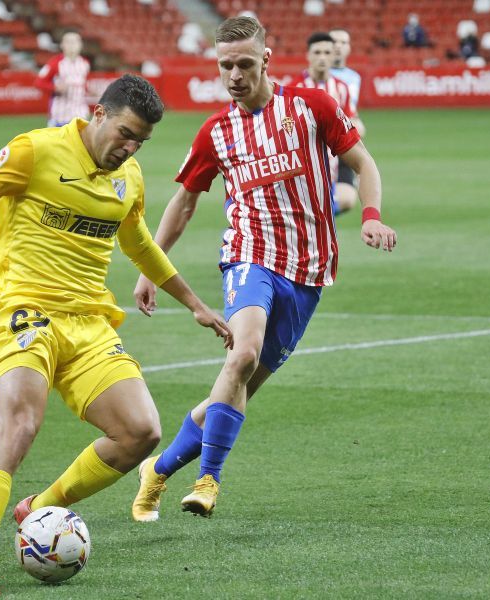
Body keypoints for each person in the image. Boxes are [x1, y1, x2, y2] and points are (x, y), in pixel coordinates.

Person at [0, 74, 233, 596]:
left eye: (140, 142)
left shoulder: (130, 178)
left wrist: (194, 303)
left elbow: (140, 242)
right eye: (125, 133)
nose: (129, 148)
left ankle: (40, 506)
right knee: (21, 425)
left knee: (141, 431)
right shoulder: (36, 150)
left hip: (89, 325)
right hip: (27, 312)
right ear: (97, 114)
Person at [130, 16, 397, 522]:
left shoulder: (310, 107)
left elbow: (363, 164)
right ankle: (209, 480)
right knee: (244, 352)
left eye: (244, 64)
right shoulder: (216, 132)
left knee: (234, 390)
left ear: (266, 60)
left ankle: (158, 470)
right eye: (225, 65)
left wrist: (370, 216)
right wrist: (151, 268)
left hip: (310, 270)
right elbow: (183, 202)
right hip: (249, 256)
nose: (233, 74)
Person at [289, 32, 358, 215]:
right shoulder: (294, 89)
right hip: (305, 160)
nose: (322, 58)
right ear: (308, 55)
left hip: (335, 156)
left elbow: (350, 121)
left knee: (346, 199)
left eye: (327, 53)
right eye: (317, 52)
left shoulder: (342, 88)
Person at [329, 28, 366, 214]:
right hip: (323, 144)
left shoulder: (354, 78)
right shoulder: (315, 77)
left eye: (343, 42)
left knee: (347, 199)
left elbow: (352, 109)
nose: (338, 46)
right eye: (334, 42)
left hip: (344, 142)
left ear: (349, 47)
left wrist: (356, 123)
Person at [34, 29, 90, 127]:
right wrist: (55, 88)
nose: (72, 45)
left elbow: (82, 84)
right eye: (68, 42)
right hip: (60, 115)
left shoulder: (85, 63)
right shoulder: (55, 63)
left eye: (75, 41)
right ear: (62, 45)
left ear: (81, 45)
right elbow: (39, 82)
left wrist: (88, 90)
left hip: (80, 114)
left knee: (80, 142)